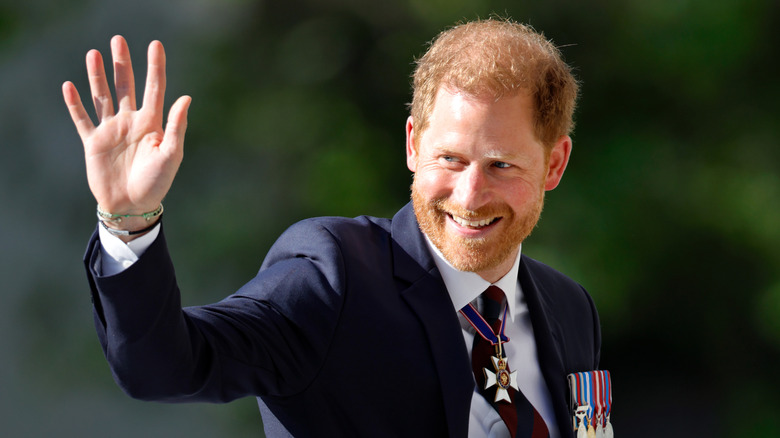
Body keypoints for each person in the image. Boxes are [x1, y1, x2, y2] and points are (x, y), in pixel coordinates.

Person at [63, 18, 601, 438]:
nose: (469, 194)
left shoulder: (570, 307)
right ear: (413, 144)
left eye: (501, 165)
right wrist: (130, 221)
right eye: (451, 159)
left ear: (555, 164)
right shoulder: (335, 276)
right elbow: (164, 369)